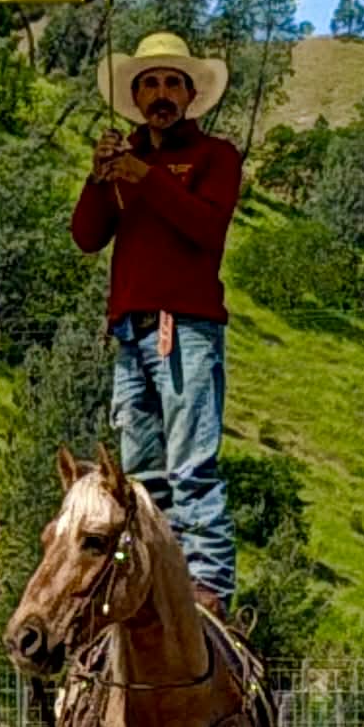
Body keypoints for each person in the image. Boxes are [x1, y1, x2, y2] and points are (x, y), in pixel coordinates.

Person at [71, 31, 242, 617]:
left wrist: (146, 176)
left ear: (191, 95)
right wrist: (100, 178)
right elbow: (87, 237)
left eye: (172, 83)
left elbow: (206, 228)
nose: (161, 94)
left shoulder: (215, 157)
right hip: (128, 331)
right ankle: (157, 582)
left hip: (185, 327)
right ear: (136, 97)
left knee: (191, 464)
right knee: (143, 474)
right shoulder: (124, 160)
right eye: (149, 84)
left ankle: (208, 586)